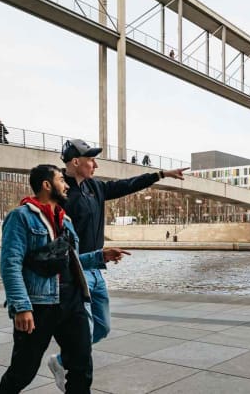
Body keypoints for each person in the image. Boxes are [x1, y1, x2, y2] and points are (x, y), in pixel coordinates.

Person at [48, 139, 188, 391]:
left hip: (97, 269)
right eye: (91, 160)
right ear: (76, 162)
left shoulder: (95, 187)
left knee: (102, 328)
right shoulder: (60, 193)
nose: (95, 165)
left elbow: (127, 185)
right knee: (83, 331)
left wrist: (160, 175)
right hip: (76, 271)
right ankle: (75, 375)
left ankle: (61, 360)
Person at [0, 165, 98, 393]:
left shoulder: (66, 220)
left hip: (72, 302)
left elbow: (70, 261)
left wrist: (101, 256)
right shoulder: (20, 217)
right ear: (46, 185)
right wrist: (21, 306)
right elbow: (10, 264)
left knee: (82, 366)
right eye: (61, 180)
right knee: (23, 371)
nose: (67, 185)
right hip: (39, 304)